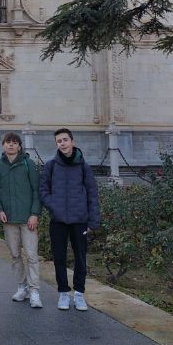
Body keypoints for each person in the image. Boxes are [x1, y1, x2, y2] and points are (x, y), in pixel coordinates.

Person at [40, 127, 100, 311]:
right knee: (59, 257)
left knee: (80, 257)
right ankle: (63, 293)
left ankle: (79, 294)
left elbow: (92, 194)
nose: (62, 143)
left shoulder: (84, 167)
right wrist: (54, 206)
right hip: (58, 220)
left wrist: (93, 221)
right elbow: (43, 191)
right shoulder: (50, 166)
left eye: (65, 140)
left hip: (79, 220)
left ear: (72, 142)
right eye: (59, 141)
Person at [0, 131, 42, 308]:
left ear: (20, 146)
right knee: (15, 255)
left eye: (15, 142)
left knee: (31, 255)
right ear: (3, 145)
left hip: (28, 219)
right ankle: (22, 287)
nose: (11, 145)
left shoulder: (28, 164)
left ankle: (34, 290)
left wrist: (34, 213)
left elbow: (37, 190)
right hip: (9, 219)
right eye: (8, 142)